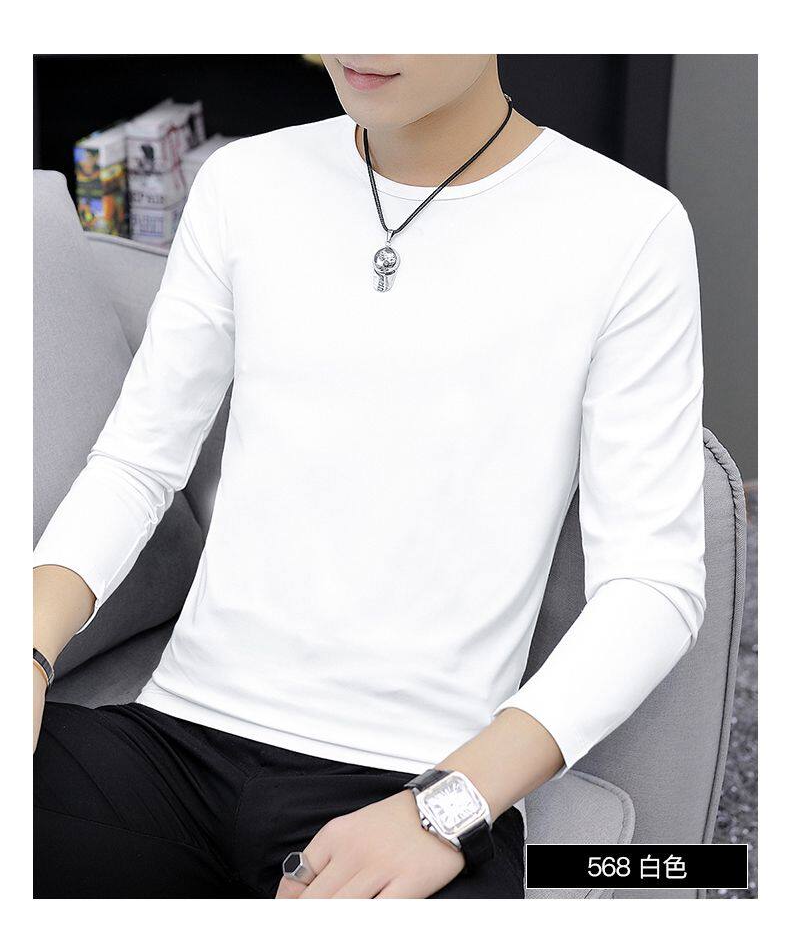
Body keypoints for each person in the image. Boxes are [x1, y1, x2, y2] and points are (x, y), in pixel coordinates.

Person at [33, 54, 706, 899]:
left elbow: (653, 584)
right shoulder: (245, 182)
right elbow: (137, 464)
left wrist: (445, 808)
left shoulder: (627, 226)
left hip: (408, 779)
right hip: (170, 746)